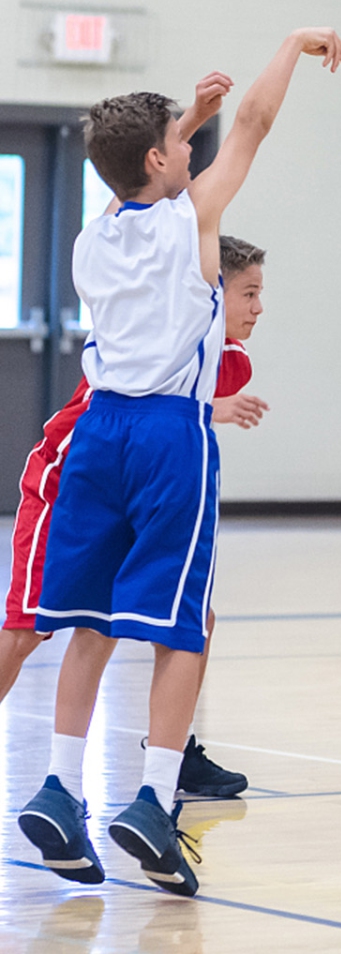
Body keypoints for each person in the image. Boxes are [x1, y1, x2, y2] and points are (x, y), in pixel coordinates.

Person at [16, 28, 341, 897]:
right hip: (169, 434)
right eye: (181, 141)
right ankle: (153, 799)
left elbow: (146, 166)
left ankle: (58, 785)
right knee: (184, 627)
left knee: (87, 621)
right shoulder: (191, 220)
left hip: (97, 434)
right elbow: (257, 122)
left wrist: (181, 119)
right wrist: (290, 47)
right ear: (167, 161)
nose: (195, 144)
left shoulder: (95, 239)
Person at [1, 224, 269, 803]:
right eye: (248, 293)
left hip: (136, 491)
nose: (259, 308)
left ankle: (173, 749)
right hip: (67, 481)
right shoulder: (158, 329)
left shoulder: (231, 360)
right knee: (27, 633)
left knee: (195, 622)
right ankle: (76, 781)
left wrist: (205, 407)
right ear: (212, 289)